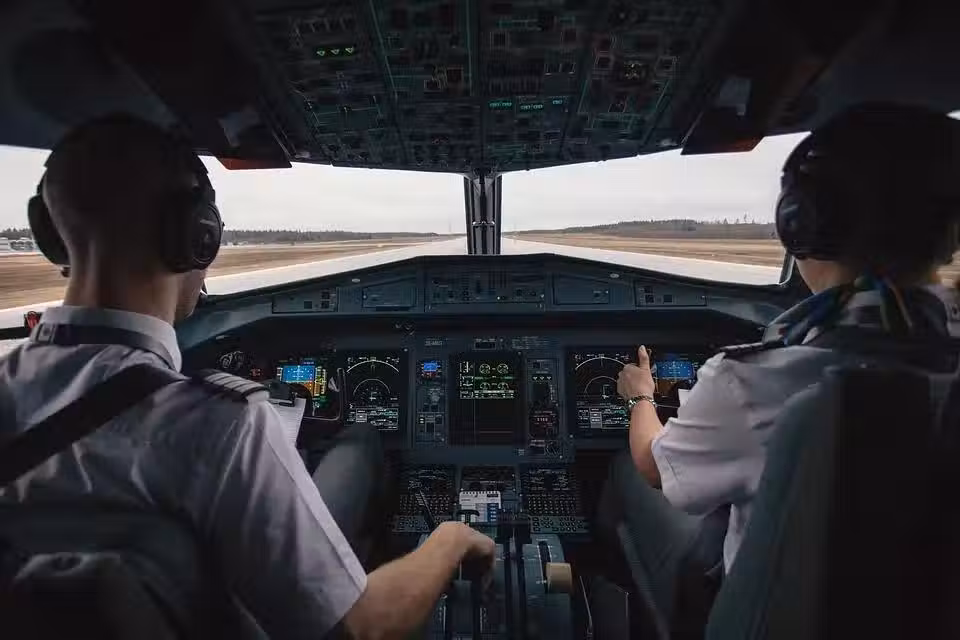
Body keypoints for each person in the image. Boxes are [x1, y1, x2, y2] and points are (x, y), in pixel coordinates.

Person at [0, 114, 494, 639]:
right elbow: (361, 629)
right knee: (359, 441)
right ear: (197, 236)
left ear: (53, 235)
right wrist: (452, 538)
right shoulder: (218, 424)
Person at [600, 102, 960, 627]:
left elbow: (655, 467)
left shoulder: (754, 380)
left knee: (627, 469)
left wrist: (640, 396)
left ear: (802, 223)